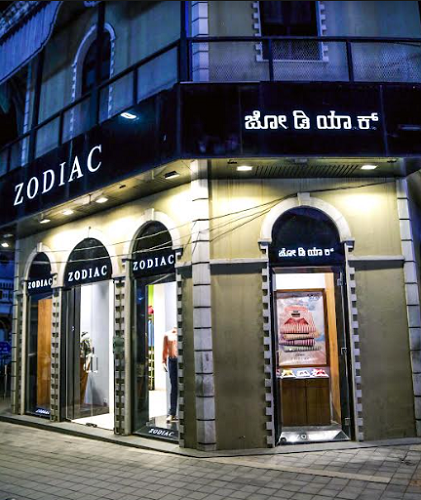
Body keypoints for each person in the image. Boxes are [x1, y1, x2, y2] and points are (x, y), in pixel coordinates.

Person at [162, 326, 178, 422]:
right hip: (172, 360)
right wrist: (163, 361)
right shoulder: (167, 334)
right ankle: (172, 412)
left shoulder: (184, 333)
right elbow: (165, 349)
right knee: (174, 386)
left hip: (183, 360)